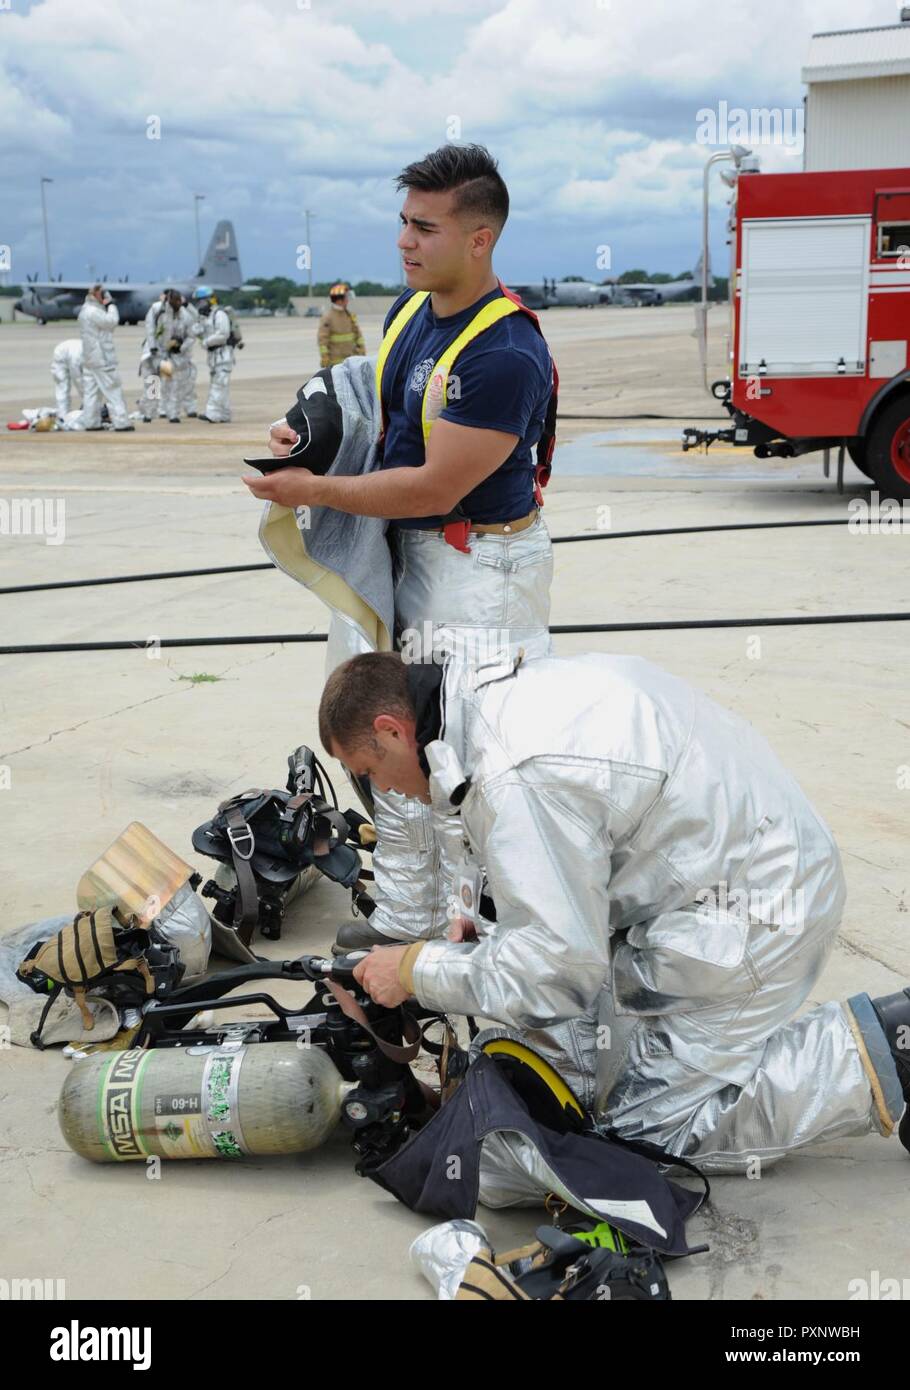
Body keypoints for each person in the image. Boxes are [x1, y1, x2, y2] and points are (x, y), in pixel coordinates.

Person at [316, 647, 910, 1195]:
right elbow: (479, 809)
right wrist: (470, 912)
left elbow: (557, 972)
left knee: (643, 1134)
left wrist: (417, 971)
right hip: (738, 856)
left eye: (368, 771)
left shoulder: (517, 775)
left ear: (393, 731)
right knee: (575, 1045)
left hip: (752, 912)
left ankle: (884, 1052)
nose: (380, 789)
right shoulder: (476, 697)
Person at [244, 144, 557, 953]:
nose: (404, 243)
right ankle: (405, 923)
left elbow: (429, 488)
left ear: (480, 238)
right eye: (402, 224)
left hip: (482, 573)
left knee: (468, 761)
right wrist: (305, 440)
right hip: (414, 562)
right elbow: (374, 412)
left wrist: (310, 494)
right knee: (397, 744)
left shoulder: (505, 353)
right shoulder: (410, 312)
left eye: (425, 227)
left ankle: (471, 942)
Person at [77, 285, 133, 432]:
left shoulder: (84, 311)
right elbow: (112, 322)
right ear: (97, 295)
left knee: (91, 393)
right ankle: (121, 422)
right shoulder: (94, 312)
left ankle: (91, 422)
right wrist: (111, 305)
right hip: (102, 358)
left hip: (89, 358)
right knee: (113, 389)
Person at [137, 289, 196, 423]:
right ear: (168, 300)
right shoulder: (157, 309)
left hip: (167, 356)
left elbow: (191, 336)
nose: (177, 304)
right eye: (174, 301)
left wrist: (181, 347)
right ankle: (148, 413)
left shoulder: (185, 316)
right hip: (152, 354)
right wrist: (152, 347)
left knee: (169, 384)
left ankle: (172, 414)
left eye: (179, 302)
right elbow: (150, 328)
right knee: (152, 382)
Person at [193, 286, 238, 422]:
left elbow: (223, 335)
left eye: (201, 301)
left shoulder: (220, 314)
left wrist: (206, 342)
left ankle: (212, 413)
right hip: (214, 357)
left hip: (223, 356)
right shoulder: (207, 317)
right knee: (220, 386)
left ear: (209, 300)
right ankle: (224, 414)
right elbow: (197, 331)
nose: (199, 304)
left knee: (218, 385)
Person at [318, 283, 365, 367]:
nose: (348, 300)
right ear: (339, 300)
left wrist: (361, 349)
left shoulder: (349, 315)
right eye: (346, 297)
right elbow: (322, 340)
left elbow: (358, 334)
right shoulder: (328, 318)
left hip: (351, 361)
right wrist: (325, 357)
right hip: (335, 364)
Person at [50, 338, 84, 420]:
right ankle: (63, 415)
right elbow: (79, 380)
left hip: (61, 350)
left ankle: (63, 414)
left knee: (62, 386)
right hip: (69, 354)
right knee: (65, 385)